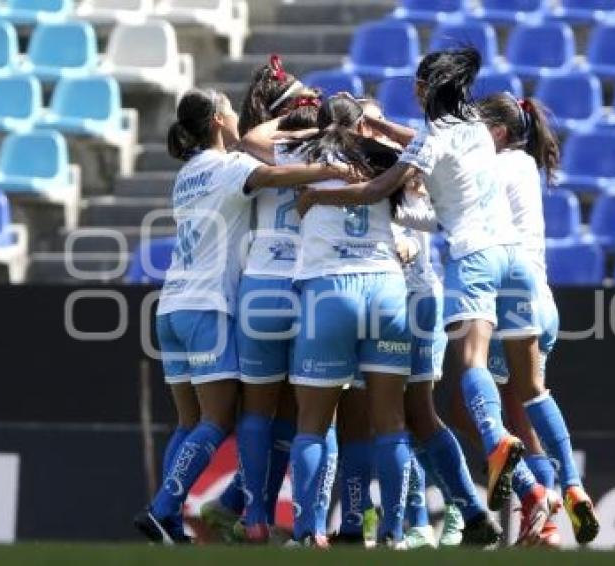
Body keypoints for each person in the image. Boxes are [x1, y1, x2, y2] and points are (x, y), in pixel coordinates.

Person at [296, 48, 531, 543]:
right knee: (402, 416)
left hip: (417, 286)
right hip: (453, 273)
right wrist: (383, 135)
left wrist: (319, 193)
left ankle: (437, 516)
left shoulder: (411, 153)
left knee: (413, 412)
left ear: (426, 90)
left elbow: (388, 182)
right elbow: (417, 156)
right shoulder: (466, 132)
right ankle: (446, 517)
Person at [133, 88, 350, 544]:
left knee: (190, 424)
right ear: (216, 119)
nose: (235, 115)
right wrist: (333, 166)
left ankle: (169, 516)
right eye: (229, 108)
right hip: (207, 305)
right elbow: (277, 174)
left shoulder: (186, 173)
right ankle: (162, 508)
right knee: (216, 420)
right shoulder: (231, 167)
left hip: (170, 304)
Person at [355, 98, 498, 549]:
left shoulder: (408, 171)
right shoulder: (352, 172)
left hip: (415, 299)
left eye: (374, 125)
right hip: (377, 303)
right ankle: (422, 520)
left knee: (416, 414)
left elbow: (428, 224)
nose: (368, 134)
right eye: (362, 125)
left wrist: (407, 243)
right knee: (396, 420)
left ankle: (456, 508)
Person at [287, 95, 413, 548]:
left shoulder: (301, 154)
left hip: (329, 290)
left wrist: (304, 125)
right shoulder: (389, 157)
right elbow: (429, 152)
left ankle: (307, 532)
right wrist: (380, 123)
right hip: (386, 286)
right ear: (363, 125)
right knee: (391, 421)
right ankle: (396, 534)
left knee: (313, 424)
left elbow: (252, 140)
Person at [200, 55, 317, 540]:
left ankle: (253, 516)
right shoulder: (326, 144)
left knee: (258, 411)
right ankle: (307, 524)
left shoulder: (250, 156)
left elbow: (250, 139)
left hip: (262, 282)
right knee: (301, 414)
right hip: (310, 286)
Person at [476, 92, 600, 546]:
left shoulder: (499, 164)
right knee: (526, 405)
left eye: (475, 127)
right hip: (540, 295)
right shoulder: (524, 165)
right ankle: (562, 495)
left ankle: (537, 495)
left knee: (468, 406)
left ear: (498, 132)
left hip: (509, 292)